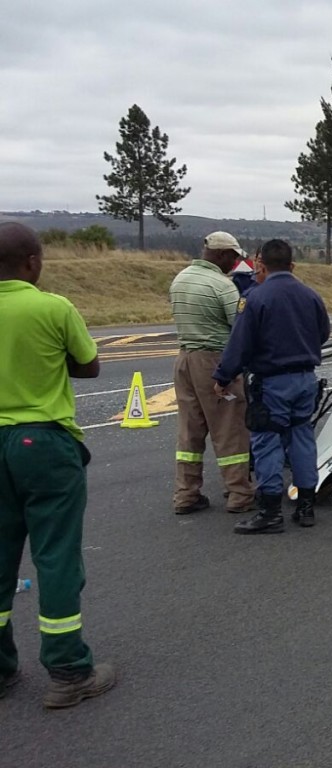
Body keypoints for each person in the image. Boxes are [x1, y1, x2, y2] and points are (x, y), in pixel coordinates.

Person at [0, 222, 117, 709]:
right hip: (43, 443)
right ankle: (69, 670)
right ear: (31, 262)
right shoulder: (52, 307)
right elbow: (89, 365)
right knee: (56, 556)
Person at [214, 239, 331, 534]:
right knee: (302, 438)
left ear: (261, 265)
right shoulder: (311, 295)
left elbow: (239, 344)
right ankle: (306, 507)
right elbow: (323, 334)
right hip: (305, 378)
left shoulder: (255, 298)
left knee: (267, 442)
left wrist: (223, 376)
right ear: (292, 265)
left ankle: (270, 512)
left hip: (272, 382)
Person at [169, 231, 255, 515]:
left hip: (184, 360)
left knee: (190, 431)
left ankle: (186, 493)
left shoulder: (180, 280)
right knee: (229, 428)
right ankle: (239, 493)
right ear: (220, 255)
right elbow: (239, 328)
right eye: (232, 257)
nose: (235, 263)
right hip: (215, 361)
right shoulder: (222, 286)